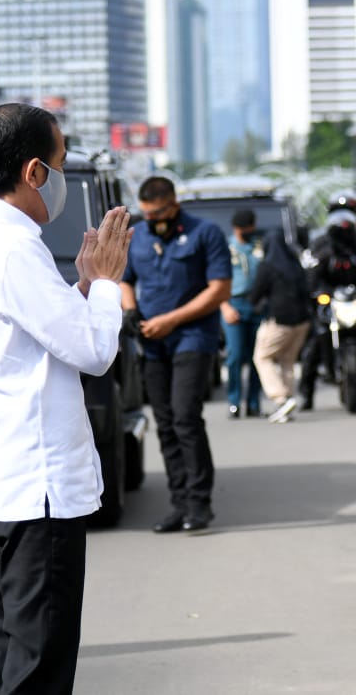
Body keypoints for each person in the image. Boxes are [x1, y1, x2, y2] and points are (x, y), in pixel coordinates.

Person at [0, 103, 132, 694]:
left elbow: (34, 334)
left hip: (2, 477)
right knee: (36, 669)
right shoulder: (14, 249)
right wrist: (106, 285)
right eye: (62, 162)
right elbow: (92, 350)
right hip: (35, 485)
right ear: (34, 173)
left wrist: (83, 287)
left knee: (7, 658)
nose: (64, 176)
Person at [121, 176, 231, 533]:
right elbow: (124, 279)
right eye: (148, 214)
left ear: (174, 203)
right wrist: (131, 310)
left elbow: (218, 290)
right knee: (165, 423)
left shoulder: (205, 234)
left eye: (160, 212)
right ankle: (178, 503)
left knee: (185, 417)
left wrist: (170, 320)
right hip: (152, 341)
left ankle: (200, 504)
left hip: (193, 336)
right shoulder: (137, 237)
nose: (154, 219)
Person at [300, 198, 356, 409]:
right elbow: (311, 273)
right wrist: (314, 292)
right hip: (330, 300)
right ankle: (306, 395)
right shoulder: (321, 244)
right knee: (315, 339)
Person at [250, 230, 313, 423]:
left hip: (281, 321)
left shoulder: (268, 266)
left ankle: (280, 398)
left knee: (262, 357)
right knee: (288, 360)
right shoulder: (295, 263)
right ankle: (286, 404)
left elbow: (255, 294)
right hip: (303, 321)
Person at [221, 208, 265, 418]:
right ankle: (234, 401)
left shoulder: (259, 246)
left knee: (258, 356)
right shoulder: (225, 248)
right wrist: (224, 306)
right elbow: (215, 280)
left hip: (257, 305)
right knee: (235, 355)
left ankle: (254, 402)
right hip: (233, 304)